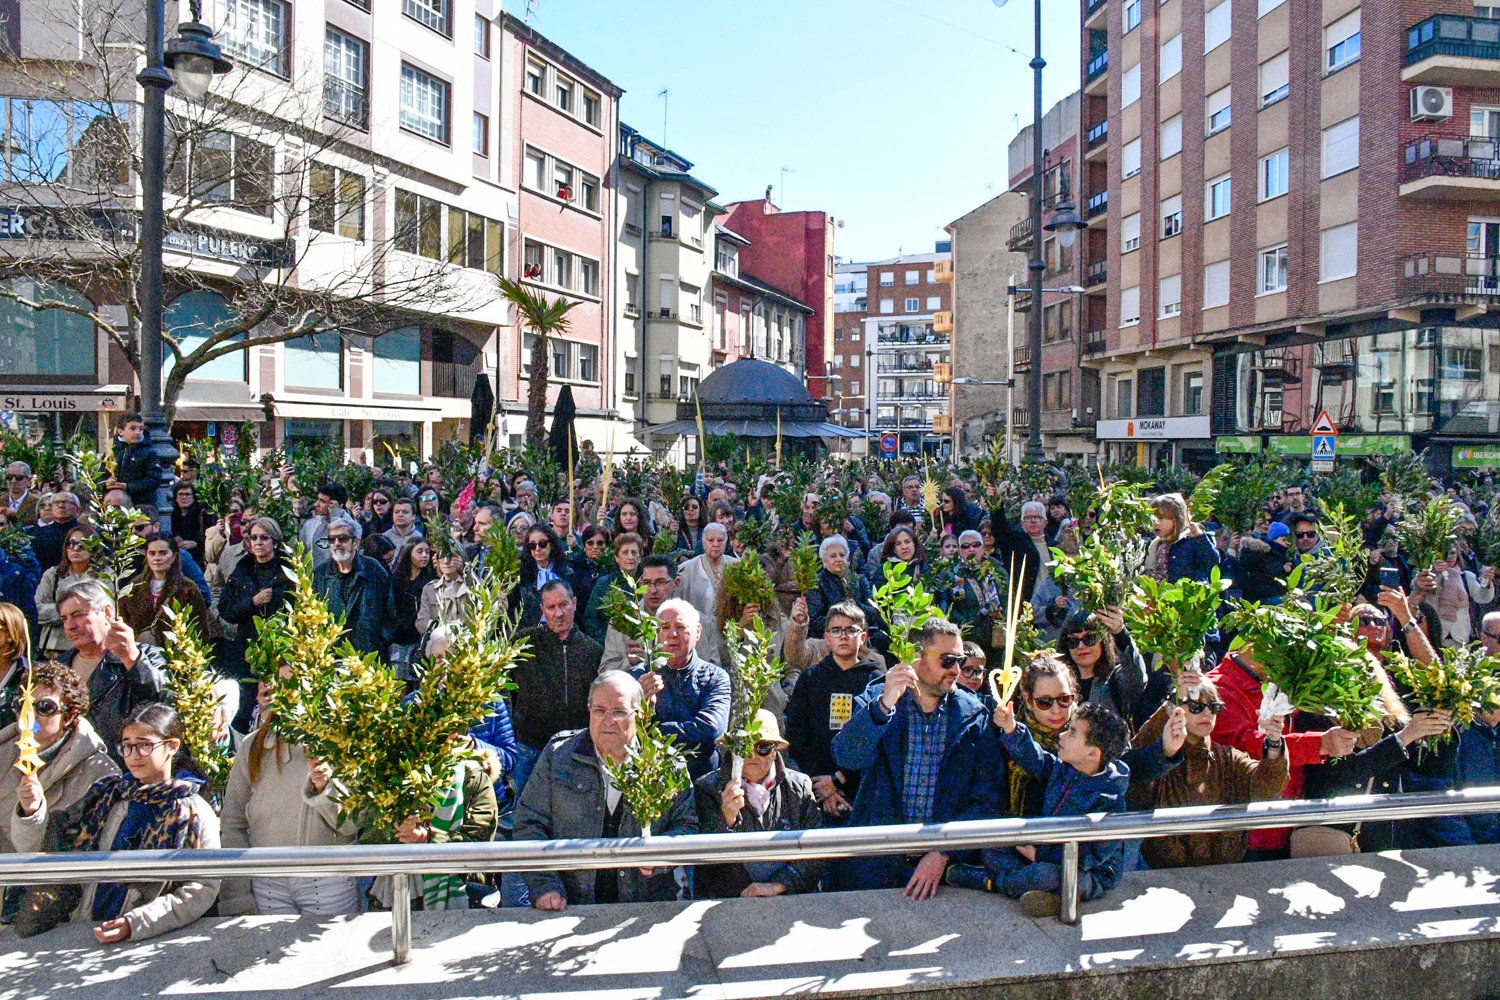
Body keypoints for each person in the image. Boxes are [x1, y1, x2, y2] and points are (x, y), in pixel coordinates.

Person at [10, 703, 220, 943]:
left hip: (149, 938)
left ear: (172, 746)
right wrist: (32, 810)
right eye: (127, 746)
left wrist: (136, 923)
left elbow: (202, 887)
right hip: (86, 928)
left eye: (144, 745)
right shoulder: (107, 795)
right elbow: (52, 843)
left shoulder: (193, 810)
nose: (134, 755)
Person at [827, 618, 1000, 898]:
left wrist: (944, 852)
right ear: (917, 657)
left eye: (960, 660)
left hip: (943, 874)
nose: (957, 670)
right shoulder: (876, 699)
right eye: (948, 660)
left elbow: (987, 798)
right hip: (876, 866)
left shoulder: (974, 714)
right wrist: (883, 706)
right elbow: (846, 756)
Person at [515, 671, 697, 910]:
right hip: (567, 905)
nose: (608, 721)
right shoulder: (559, 755)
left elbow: (688, 827)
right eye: (599, 711)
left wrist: (658, 857)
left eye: (619, 712)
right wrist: (545, 886)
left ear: (640, 714)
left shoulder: (666, 764)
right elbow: (529, 824)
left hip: (646, 908)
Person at [956, 698, 1131, 916]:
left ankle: (991, 882)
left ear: (1093, 754)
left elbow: (1090, 857)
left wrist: (1038, 855)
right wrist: (1011, 728)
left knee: (1045, 875)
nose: (1061, 735)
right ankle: (1041, 893)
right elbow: (1034, 758)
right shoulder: (1064, 769)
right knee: (994, 841)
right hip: (1043, 849)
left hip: (1086, 872)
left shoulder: (1109, 800)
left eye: (1072, 733)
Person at [217, 680, 359, 916]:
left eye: (298, 681)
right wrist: (237, 895)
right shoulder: (252, 747)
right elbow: (232, 822)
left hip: (329, 881)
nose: (289, 691)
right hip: (267, 882)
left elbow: (352, 824)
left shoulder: (345, 744)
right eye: (282, 683)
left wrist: (325, 788)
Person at [1128, 671, 1288, 867]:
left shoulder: (1229, 758)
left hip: (1223, 874)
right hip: (1157, 874)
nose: (1207, 714)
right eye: (1196, 706)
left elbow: (1266, 792)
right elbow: (1133, 767)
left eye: (1214, 707)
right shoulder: (1157, 753)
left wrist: (1273, 742)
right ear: (1176, 709)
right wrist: (1171, 705)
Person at [694, 709, 825, 898]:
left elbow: (818, 851)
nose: (752, 755)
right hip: (728, 903)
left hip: (788, 901)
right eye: (743, 746)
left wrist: (779, 884)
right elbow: (704, 862)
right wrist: (726, 821)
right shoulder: (708, 788)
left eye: (762, 747)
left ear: (775, 751)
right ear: (732, 748)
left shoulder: (799, 786)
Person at [0, 660, 119, 860]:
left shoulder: (100, 772)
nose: (30, 715)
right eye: (23, 704)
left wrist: (31, 813)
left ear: (70, 716)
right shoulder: (3, 754)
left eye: (45, 707)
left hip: (52, 882)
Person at [783, 601, 884, 824]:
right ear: (827, 638)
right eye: (836, 630)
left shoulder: (875, 680)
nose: (843, 636)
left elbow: (878, 741)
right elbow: (796, 733)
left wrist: (839, 780)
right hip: (815, 785)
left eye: (851, 630)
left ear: (864, 637)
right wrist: (824, 785)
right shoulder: (811, 678)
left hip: (861, 787)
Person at [509, 580, 604, 795]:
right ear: (542, 609)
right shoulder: (523, 643)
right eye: (551, 607)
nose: (558, 613)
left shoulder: (592, 650)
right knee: (525, 815)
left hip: (576, 748)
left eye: (563, 605)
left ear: (575, 603)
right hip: (531, 747)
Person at [55, 580, 167, 755]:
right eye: (64, 619)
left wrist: (131, 658)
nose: (70, 626)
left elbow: (163, 705)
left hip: (122, 766)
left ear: (107, 613)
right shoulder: (60, 667)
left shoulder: (144, 656)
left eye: (78, 615)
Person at [632, 599, 731, 779]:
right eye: (664, 628)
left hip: (703, 780)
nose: (672, 634)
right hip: (651, 780)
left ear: (698, 632)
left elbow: (711, 731)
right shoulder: (639, 678)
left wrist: (656, 731)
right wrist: (643, 708)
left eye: (680, 626)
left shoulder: (715, 677)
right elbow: (627, 733)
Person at [219, 518, 295, 697]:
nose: (258, 542)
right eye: (254, 538)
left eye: (264, 537)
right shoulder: (242, 570)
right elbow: (227, 610)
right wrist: (252, 602)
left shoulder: (289, 570)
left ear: (274, 542)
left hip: (281, 646)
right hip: (247, 646)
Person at [1055, 607, 1151, 730]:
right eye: (1073, 641)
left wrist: (1120, 633)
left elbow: (1137, 677)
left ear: (1103, 641)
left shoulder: (1115, 679)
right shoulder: (1058, 683)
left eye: (1089, 638)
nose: (1081, 646)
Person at [312, 519, 396, 659]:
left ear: (355, 543)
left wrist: (381, 642)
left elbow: (390, 613)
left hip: (369, 656)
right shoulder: (320, 575)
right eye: (332, 539)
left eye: (343, 538)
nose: (337, 544)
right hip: (332, 658)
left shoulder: (373, 570)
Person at [803, 535, 888, 655]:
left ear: (848, 558)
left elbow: (875, 613)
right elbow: (815, 620)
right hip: (828, 643)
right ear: (824, 561)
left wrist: (856, 606)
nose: (838, 559)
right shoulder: (817, 583)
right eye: (832, 556)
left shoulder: (859, 580)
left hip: (861, 640)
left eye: (842, 555)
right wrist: (842, 620)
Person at [119, 536, 207, 645]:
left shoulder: (187, 588)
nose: (157, 558)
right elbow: (123, 622)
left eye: (163, 553)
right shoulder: (133, 587)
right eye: (152, 553)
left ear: (174, 556)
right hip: (141, 654)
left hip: (178, 654)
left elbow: (199, 627)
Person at [599, 555, 677, 673]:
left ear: (676, 583)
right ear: (638, 585)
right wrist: (629, 662)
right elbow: (605, 672)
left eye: (660, 582)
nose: (653, 590)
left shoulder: (692, 621)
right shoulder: (622, 619)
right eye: (646, 583)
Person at [674, 522, 738, 664]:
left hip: (730, 633)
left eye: (720, 540)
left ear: (726, 543)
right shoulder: (687, 569)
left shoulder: (736, 566)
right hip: (700, 636)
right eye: (711, 540)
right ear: (703, 543)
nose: (715, 544)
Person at [35, 525, 96, 655]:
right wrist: (75, 613)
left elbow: (104, 610)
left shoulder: (105, 575)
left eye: (82, 545)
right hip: (54, 647)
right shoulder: (52, 575)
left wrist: (58, 609)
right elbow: (38, 610)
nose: (75, 549)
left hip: (93, 645)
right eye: (71, 544)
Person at [580, 531, 644, 643]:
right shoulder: (604, 583)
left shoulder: (647, 582)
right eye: (625, 553)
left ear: (640, 557)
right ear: (616, 557)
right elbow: (591, 619)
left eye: (634, 552)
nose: (630, 557)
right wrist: (608, 643)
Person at [1144, 493, 1219, 583]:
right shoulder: (1154, 545)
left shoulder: (1193, 540)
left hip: (1186, 594)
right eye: (1152, 518)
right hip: (1159, 595)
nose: (1155, 523)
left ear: (1177, 519)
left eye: (1160, 518)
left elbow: (1212, 562)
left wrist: (1200, 538)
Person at [390, 539, 436, 680]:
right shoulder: (396, 579)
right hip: (399, 638)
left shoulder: (431, 579)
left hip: (422, 638)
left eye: (427, 552)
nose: (424, 556)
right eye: (420, 551)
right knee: (397, 681)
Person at [108, 413, 162, 509]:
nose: (138, 432)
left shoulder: (149, 452)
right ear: (121, 431)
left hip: (142, 505)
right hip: (116, 504)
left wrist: (129, 486)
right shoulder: (111, 451)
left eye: (141, 429)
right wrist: (106, 483)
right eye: (133, 428)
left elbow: (154, 480)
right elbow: (100, 475)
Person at [417, 546, 470, 635]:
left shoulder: (470, 585)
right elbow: (421, 623)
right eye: (442, 557)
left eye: (451, 557)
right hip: (436, 638)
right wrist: (441, 628)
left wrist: (465, 571)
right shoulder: (430, 588)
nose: (446, 561)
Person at [27, 491, 79, 580]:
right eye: (56, 503)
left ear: (77, 509)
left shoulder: (86, 533)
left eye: (66, 502)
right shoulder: (38, 534)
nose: (61, 506)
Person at [298, 483, 352, 570]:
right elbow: (301, 554)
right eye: (318, 500)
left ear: (338, 505)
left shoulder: (351, 526)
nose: (316, 504)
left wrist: (335, 517)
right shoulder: (310, 525)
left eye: (322, 501)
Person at [167, 482, 212, 555]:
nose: (184, 497)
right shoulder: (171, 514)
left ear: (194, 497)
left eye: (187, 494)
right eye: (180, 494)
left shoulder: (203, 513)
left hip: (198, 555)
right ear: (175, 497)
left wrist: (196, 543)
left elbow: (210, 535)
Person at [4, 462, 41, 527]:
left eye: (18, 477)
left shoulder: (38, 503)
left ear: (29, 480)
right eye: (9, 477)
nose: (13, 481)